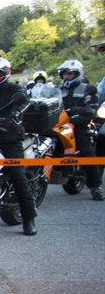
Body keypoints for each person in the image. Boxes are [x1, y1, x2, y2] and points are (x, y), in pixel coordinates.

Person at [0, 56, 38, 234]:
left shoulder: (14, 90)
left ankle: (29, 218)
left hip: (9, 138)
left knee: (18, 176)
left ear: (3, 74)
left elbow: (24, 101)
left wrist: (15, 115)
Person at [55, 59, 103, 201]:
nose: (66, 77)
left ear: (78, 74)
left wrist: (78, 119)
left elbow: (92, 108)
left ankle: (96, 187)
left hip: (79, 125)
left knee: (87, 152)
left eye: (70, 74)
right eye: (64, 74)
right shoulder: (58, 89)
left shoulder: (88, 89)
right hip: (59, 125)